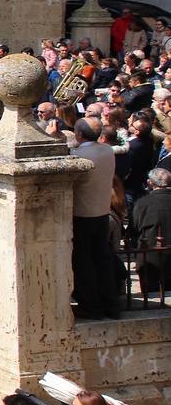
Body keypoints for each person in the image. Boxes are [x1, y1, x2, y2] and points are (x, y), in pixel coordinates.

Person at [71, 120, 122, 320]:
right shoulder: (107, 151)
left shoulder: (78, 156)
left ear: (79, 134)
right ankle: (111, 306)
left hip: (82, 216)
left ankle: (91, 307)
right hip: (101, 213)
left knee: (83, 263)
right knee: (103, 261)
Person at [130, 168, 171, 294]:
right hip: (156, 257)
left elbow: (134, 230)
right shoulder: (143, 202)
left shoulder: (142, 203)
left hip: (150, 259)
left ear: (150, 183)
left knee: (151, 296)